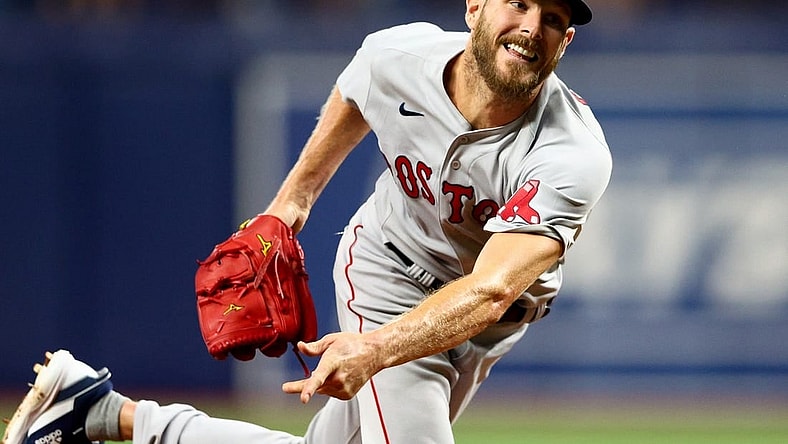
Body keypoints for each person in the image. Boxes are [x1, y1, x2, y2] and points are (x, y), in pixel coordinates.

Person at [3, 0, 612, 443]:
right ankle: (95, 411)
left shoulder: (571, 152)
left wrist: (372, 351)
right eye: (519, 3)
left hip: (482, 320)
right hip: (389, 271)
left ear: (565, 43)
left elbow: (492, 288)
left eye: (554, 18)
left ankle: (98, 411)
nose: (532, 27)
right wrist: (287, 208)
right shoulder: (398, 56)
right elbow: (357, 89)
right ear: (475, 7)